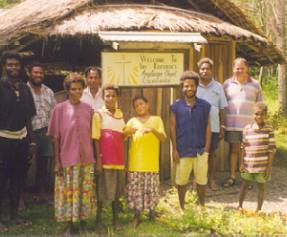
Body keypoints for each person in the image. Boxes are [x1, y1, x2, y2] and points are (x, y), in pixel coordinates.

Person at [48, 73, 95, 234]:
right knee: (68, 193)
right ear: (67, 90)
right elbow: (55, 137)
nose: (77, 91)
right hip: (67, 159)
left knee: (84, 192)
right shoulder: (59, 109)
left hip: (86, 159)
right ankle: (69, 225)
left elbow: (93, 136)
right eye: (73, 89)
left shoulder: (89, 109)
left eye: (80, 88)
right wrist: (57, 162)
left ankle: (82, 223)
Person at [0, 51, 36, 232]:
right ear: (4, 67)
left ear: (20, 67)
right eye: (10, 65)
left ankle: (15, 215)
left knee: (18, 179)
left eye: (16, 64)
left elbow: (29, 117)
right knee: (2, 180)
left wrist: (31, 141)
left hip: (21, 141)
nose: (13, 67)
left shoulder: (24, 88)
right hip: (3, 140)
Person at [170, 71, 211, 209]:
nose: (189, 88)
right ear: (182, 87)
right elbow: (173, 128)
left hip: (200, 149)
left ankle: (202, 206)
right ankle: (182, 207)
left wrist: (206, 149)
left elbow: (208, 127)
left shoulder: (204, 106)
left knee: (201, 180)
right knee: (181, 181)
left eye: (192, 86)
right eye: (186, 86)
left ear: (196, 86)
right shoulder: (176, 107)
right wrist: (175, 149)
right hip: (183, 150)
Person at [125, 95, 166, 227]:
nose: (140, 107)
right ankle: (137, 215)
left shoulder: (156, 119)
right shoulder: (132, 121)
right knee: (137, 189)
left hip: (151, 163)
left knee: (151, 189)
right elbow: (122, 137)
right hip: (136, 163)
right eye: (136, 106)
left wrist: (153, 130)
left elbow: (162, 138)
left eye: (142, 104)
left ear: (148, 104)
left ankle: (152, 213)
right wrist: (128, 132)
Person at [223, 58, 263, 187]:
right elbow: (222, 105)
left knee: (247, 152)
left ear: (247, 69)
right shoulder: (227, 84)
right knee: (233, 150)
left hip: (250, 126)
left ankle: (246, 179)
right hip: (232, 124)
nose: (239, 70)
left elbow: (260, 106)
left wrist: (259, 124)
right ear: (233, 69)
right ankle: (232, 177)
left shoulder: (255, 84)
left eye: (242, 68)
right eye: (237, 68)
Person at [92, 84, 126, 228]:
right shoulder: (98, 114)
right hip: (104, 159)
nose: (110, 98)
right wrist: (98, 160)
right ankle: (98, 220)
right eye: (107, 95)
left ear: (117, 97)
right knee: (101, 191)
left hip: (118, 160)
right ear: (103, 97)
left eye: (113, 95)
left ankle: (115, 219)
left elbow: (122, 138)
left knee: (117, 191)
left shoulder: (121, 116)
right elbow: (96, 138)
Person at [196, 58, 227, 191]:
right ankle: (197, 180)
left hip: (214, 126)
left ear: (211, 70)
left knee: (212, 154)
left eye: (207, 68)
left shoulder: (218, 86)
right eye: (202, 68)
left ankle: (212, 179)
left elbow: (222, 108)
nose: (205, 71)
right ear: (199, 71)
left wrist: (222, 126)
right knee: (196, 153)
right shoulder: (194, 85)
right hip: (197, 127)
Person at [27, 62, 56, 203]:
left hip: (46, 132)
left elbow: (54, 113)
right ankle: (20, 196)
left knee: (43, 164)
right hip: (28, 132)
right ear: (29, 73)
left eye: (40, 73)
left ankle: (41, 194)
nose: (38, 75)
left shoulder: (48, 91)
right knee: (24, 164)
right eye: (35, 72)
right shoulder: (23, 89)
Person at [238, 102, 276, 211]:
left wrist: (268, 167)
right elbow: (243, 148)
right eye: (256, 114)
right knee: (244, 185)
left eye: (262, 114)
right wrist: (241, 163)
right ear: (252, 114)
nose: (259, 116)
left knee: (261, 187)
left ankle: (258, 210)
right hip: (248, 165)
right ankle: (239, 205)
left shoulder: (269, 129)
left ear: (266, 115)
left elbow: (271, 149)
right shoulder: (247, 129)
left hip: (262, 166)